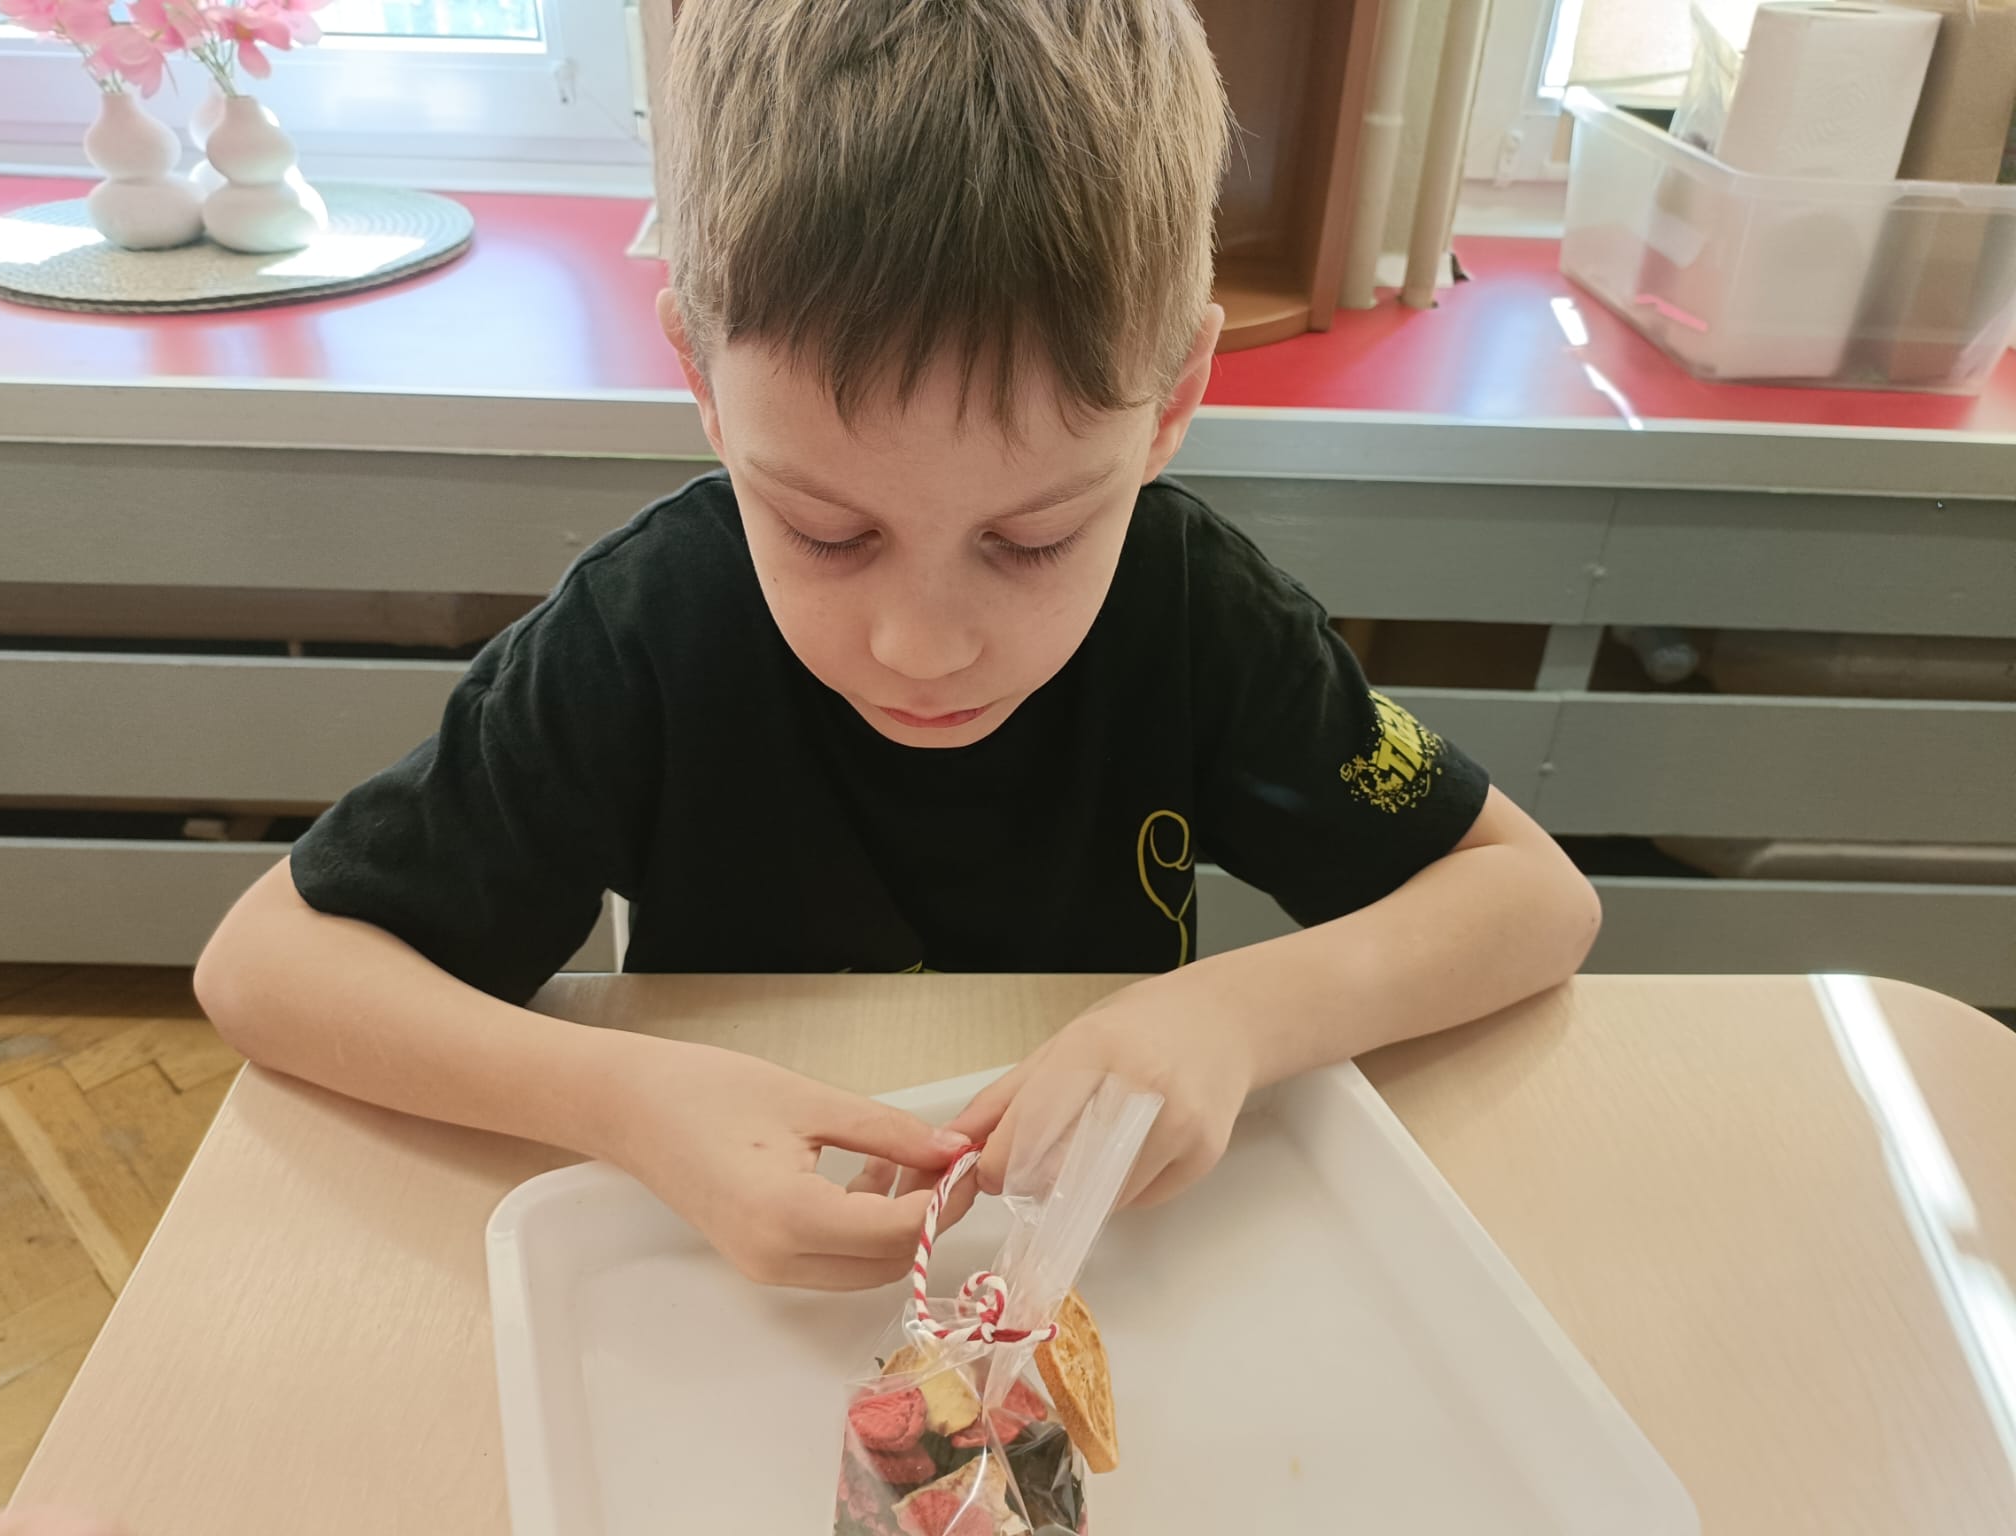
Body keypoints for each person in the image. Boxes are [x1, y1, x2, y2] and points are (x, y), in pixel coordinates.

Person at [196, 0, 1600, 1293]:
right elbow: (266, 965)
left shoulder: (1200, 615)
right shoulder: (642, 635)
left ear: (1174, 401)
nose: (922, 649)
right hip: (713, 1289)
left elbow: (1533, 898)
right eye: (826, 531)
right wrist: (626, 1102)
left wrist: (1234, 1019)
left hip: (1117, 1274)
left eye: (1034, 540)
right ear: (699, 378)